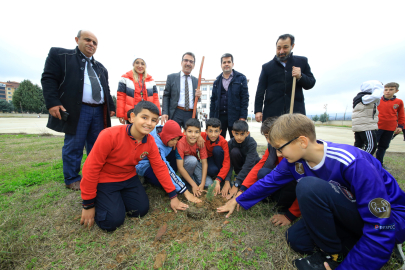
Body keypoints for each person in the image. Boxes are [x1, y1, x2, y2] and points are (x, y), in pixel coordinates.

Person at [218, 114, 405, 270]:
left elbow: (381, 219)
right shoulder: (294, 161)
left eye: (280, 148)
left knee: (308, 186)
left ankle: (340, 254)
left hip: (388, 221)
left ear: (302, 141)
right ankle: (344, 249)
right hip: (349, 216)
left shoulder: (353, 162)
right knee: (296, 239)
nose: (279, 154)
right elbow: (269, 181)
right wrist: (239, 200)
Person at [80, 101, 189, 232]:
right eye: (144, 117)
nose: (149, 123)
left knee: (140, 210)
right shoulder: (108, 135)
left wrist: (173, 196)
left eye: (154, 120)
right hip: (106, 180)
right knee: (111, 222)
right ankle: (103, 199)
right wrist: (88, 204)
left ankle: (116, 199)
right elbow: (91, 168)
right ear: (132, 117)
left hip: (128, 178)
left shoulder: (149, 142)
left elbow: (160, 167)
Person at [41, 30, 116, 191]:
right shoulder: (60, 55)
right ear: (77, 40)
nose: (91, 44)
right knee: (74, 145)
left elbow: (106, 89)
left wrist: (111, 107)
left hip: (98, 111)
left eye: (95, 42)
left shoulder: (101, 68)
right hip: (78, 110)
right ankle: (72, 178)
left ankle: (96, 174)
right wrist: (52, 102)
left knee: (98, 146)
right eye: (87, 40)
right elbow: (48, 78)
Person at [229, 117, 301, 226]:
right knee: (262, 172)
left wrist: (290, 215)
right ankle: (272, 199)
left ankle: (284, 207)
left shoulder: (295, 153)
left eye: (272, 136)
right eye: (267, 137)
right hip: (278, 178)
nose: (269, 140)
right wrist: (242, 189)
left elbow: (304, 185)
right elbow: (259, 166)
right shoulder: (272, 147)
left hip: (292, 185)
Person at [135, 120, 201, 203]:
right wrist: (185, 191)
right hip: (145, 164)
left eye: (177, 139)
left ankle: (176, 180)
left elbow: (184, 135)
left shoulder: (162, 129)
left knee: (174, 153)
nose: (175, 142)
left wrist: (200, 137)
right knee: (162, 181)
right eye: (173, 139)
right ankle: (146, 178)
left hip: (163, 154)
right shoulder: (157, 146)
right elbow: (165, 169)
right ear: (166, 137)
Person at [254, 34, 315, 122]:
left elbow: (311, 83)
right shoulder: (267, 67)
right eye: (278, 48)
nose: (281, 51)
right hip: (272, 114)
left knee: (296, 136)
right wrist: (258, 110)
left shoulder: (302, 62)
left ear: (292, 46)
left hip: (295, 114)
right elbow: (260, 90)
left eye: (285, 47)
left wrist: (300, 76)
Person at [210, 53, 249, 139]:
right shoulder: (217, 81)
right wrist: (211, 119)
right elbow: (213, 101)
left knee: (236, 143)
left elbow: (244, 99)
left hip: (236, 117)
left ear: (232, 64)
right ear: (221, 65)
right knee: (218, 143)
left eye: (228, 62)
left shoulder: (241, 78)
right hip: (219, 118)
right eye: (224, 62)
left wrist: (243, 117)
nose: (226, 64)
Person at [161, 52, 202, 128]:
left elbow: (197, 100)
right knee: (173, 136)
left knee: (189, 138)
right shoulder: (172, 77)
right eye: (186, 60)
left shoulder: (196, 81)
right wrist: (164, 112)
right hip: (176, 112)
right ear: (181, 62)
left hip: (190, 113)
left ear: (193, 65)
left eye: (191, 62)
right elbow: (166, 96)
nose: (188, 63)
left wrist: (198, 96)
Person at [117, 57, 161, 124]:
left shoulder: (151, 81)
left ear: (145, 66)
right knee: (131, 133)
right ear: (133, 64)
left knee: (145, 133)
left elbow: (155, 99)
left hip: (147, 113)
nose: (140, 66)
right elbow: (121, 98)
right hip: (131, 114)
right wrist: (120, 114)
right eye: (137, 63)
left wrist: (158, 114)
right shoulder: (125, 79)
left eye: (142, 63)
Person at [176, 118, 213, 197]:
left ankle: (194, 180)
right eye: (190, 131)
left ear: (200, 133)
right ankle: (189, 181)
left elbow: (204, 163)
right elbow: (180, 167)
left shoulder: (200, 142)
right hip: (186, 165)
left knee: (209, 183)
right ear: (185, 132)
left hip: (195, 165)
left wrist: (202, 183)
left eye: (196, 132)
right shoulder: (180, 143)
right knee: (192, 160)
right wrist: (193, 185)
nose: (193, 135)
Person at [224, 120, 260, 198]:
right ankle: (239, 175)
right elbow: (228, 163)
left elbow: (249, 163)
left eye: (242, 134)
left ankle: (242, 178)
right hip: (240, 167)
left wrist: (236, 184)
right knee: (234, 151)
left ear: (247, 133)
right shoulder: (230, 143)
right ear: (232, 132)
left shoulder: (252, 143)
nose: (239, 137)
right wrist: (227, 181)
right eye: (236, 134)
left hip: (252, 167)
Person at [376, 82, 405, 169]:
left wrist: (400, 126)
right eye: (386, 89)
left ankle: (379, 164)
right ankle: (368, 163)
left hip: (389, 128)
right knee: (372, 146)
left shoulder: (399, 102)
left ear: (396, 91)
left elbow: (401, 115)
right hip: (376, 127)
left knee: (383, 146)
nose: (388, 91)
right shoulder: (377, 100)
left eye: (391, 89)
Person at [200, 118, 231, 196]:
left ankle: (220, 177)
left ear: (220, 131)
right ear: (206, 131)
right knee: (212, 171)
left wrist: (218, 179)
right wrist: (198, 136)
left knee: (217, 149)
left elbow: (227, 162)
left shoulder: (223, 142)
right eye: (210, 131)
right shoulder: (202, 135)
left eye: (216, 131)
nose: (213, 134)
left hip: (219, 159)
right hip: (209, 159)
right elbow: (186, 133)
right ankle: (216, 174)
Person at [352, 80, 384, 155]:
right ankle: (363, 162)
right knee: (371, 146)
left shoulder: (361, 97)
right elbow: (376, 96)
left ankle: (355, 161)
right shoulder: (365, 97)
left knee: (359, 146)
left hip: (362, 125)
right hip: (366, 126)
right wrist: (378, 86)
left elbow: (378, 100)